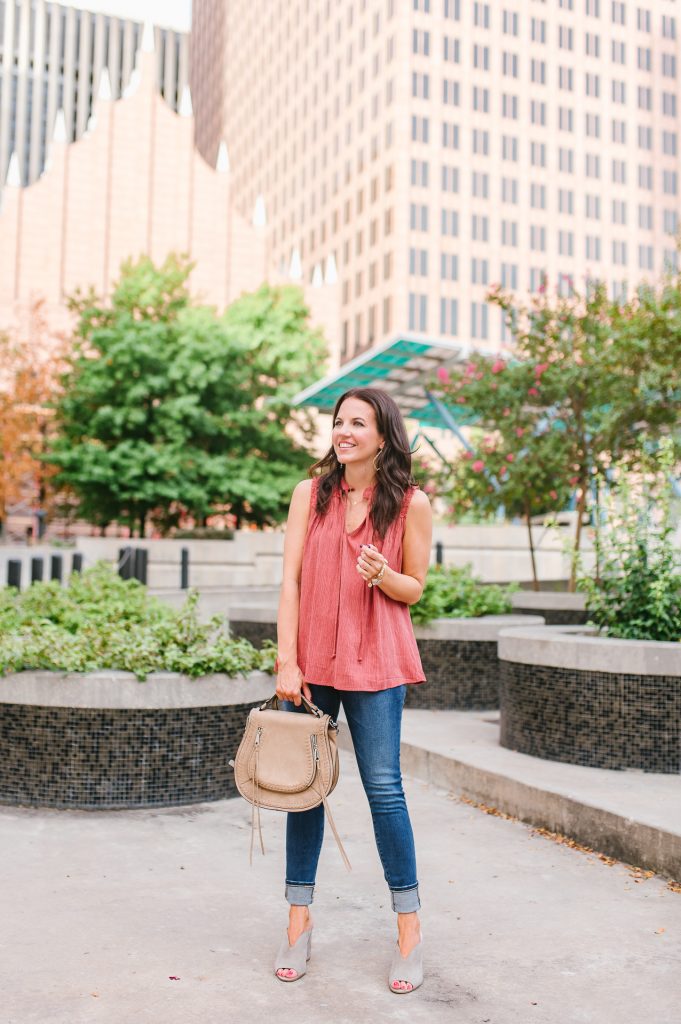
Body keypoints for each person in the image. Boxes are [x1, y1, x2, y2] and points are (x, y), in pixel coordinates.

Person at [274, 387, 432, 993]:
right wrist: (287, 660)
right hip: (311, 662)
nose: (343, 431)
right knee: (303, 789)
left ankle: (409, 928)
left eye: (357, 423)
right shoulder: (308, 495)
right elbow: (289, 582)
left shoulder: (410, 504)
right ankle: (297, 919)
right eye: (338, 422)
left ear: (384, 435)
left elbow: (414, 587)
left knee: (385, 792)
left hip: (377, 661)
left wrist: (383, 575)